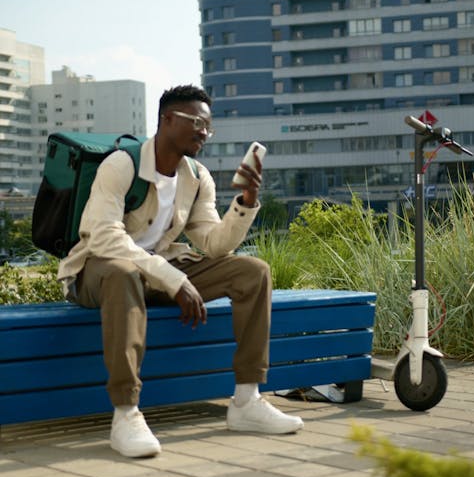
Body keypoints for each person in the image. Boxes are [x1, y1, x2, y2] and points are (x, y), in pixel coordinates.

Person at [58, 85, 303, 457]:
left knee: (253, 271)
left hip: (158, 271)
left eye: (208, 125)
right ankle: (126, 414)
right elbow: (105, 238)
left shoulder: (196, 176)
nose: (204, 132)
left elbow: (214, 243)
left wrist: (246, 203)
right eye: (197, 123)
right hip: (98, 272)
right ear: (167, 120)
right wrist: (173, 279)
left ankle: (246, 401)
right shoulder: (121, 165)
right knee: (124, 273)